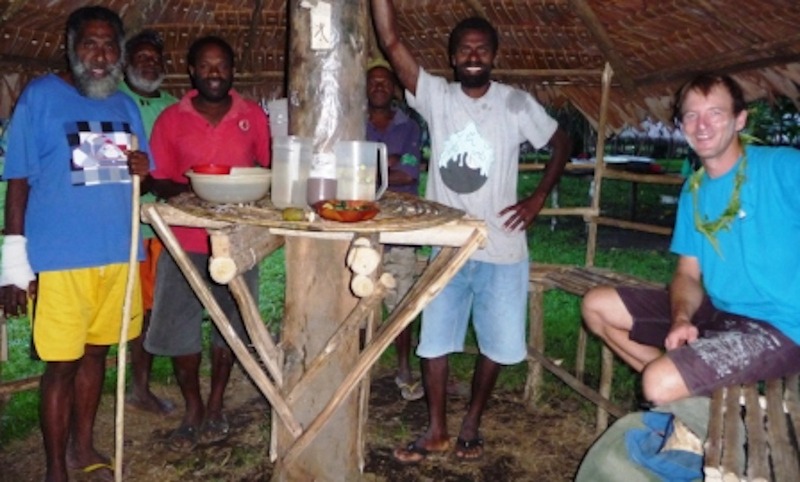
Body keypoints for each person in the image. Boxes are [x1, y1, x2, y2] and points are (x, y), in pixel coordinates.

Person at [371, 1, 570, 463]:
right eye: (465, 49)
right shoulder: (438, 97)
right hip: (448, 245)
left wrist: (538, 197)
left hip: (502, 246)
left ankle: (472, 422)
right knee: (434, 339)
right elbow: (391, 42)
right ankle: (436, 428)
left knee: (498, 344)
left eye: (482, 48)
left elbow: (561, 142)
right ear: (453, 57)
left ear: (493, 57)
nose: (473, 55)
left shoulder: (516, 103)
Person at [581, 73, 800, 407]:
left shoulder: (782, 167)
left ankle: (682, 394)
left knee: (657, 382)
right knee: (596, 305)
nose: (703, 125)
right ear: (681, 125)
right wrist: (681, 319)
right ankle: (696, 400)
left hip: (781, 326)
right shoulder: (694, 191)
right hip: (719, 311)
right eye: (692, 115)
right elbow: (686, 273)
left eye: (715, 113)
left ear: (739, 119)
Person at [0, 6, 151, 482]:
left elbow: (133, 180)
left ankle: (82, 449)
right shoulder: (41, 97)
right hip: (62, 259)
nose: (101, 56)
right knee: (61, 366)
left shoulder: (126, 106)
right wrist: (12, 262)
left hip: (118, 254)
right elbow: (18, 181)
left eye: (110, 46)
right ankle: (54, 469)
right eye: (90, 44)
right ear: (72, 45)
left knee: (97, 355)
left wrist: (142, 172)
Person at [144, 35, 271, 452]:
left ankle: (217, 402)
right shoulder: (171, 120)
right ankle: (193, 406)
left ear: (232, 71)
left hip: (236, 240)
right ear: (192, 71)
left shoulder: (252, 115)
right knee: (179, 329)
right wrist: (191, 188)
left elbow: (270, 169)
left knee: (232, 325)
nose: (214, 73)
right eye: (206, 66)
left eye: (222, 66)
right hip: (182, 241)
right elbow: (157, 179)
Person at [120, 29, 178, 416]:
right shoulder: (115, 102)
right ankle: (136, 386)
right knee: (134, 311)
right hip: (127, 227)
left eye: (154, 58)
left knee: (160, 308)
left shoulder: (176, 107)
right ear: (126, 62)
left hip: (166, 225)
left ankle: (146, 384)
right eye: (140, 57)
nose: (148, 64)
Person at [366, 58, 425, 401]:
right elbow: (345, 168)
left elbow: (408, 173)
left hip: (402, 226)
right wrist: (388, 161)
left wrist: (367, 164)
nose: (378, 87)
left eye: (384, 82)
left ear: (394, 89)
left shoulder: (410, 127)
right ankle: (357, 367)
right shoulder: (352, 122)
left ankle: (404, 368)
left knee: (402, 300)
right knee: (356, 297)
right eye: (372, 82)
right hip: (359, 222)